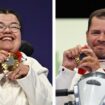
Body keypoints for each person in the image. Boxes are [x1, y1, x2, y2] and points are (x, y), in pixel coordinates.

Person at [0, 9, 52, 105]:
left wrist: (29, 77)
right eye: (0, 26)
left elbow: (49, 102)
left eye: (14, 26)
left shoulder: (31, 65)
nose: (7, 30)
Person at [56, 8, 105, 105]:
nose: (101, 38)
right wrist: (67, 71)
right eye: (96, 33)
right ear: (87, 35)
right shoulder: (76, 70)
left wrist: (97, 72)